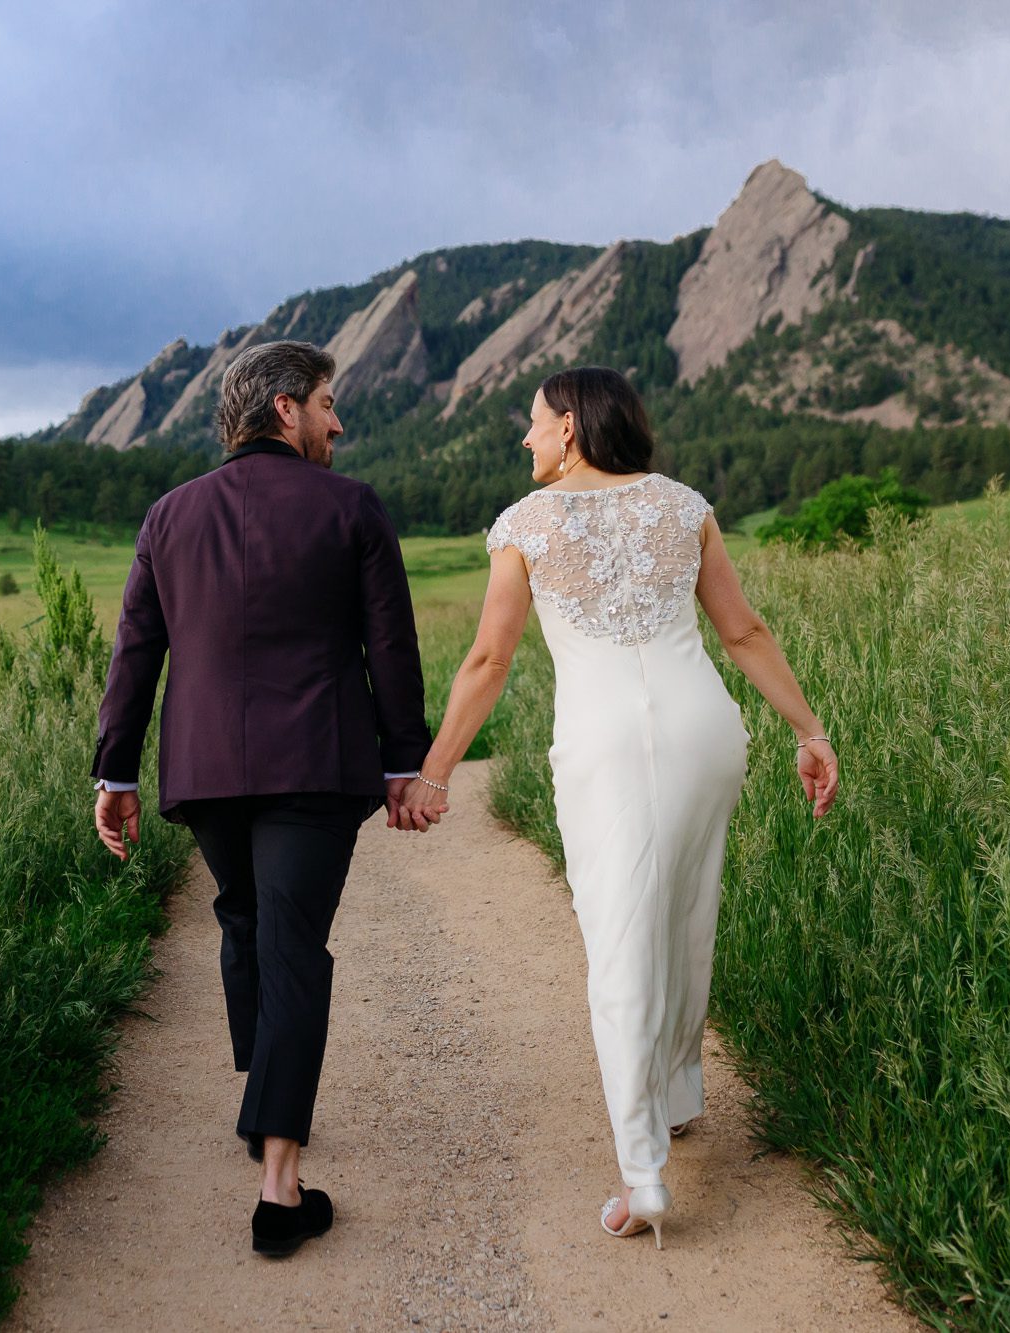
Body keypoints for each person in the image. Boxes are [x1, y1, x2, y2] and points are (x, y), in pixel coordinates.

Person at [397, 365, 838, 1249]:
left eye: (534, 422)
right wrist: (810, 729)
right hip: (705, 729)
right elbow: (742, 630)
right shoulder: (684, 506)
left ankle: (644, 1176)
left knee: (620, 940)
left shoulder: (527, 525)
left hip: (605, 744)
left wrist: (435, 771)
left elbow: (489, 660)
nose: (525, 437)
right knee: (684, 913)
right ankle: (674, 1096)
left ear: (569, 426)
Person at [91, 339, 433, 1258]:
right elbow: (391, 647)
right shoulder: (351, 507)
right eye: (327, 402)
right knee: (289, 945)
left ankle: (264, 1102)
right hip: (315, 763)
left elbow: (135, 653)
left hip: (204, 769)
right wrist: (403, 760)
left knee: (246, 921)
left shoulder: (169, 515)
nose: (337, 422)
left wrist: (116, 774)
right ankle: (280, 1189)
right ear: (285, 408)